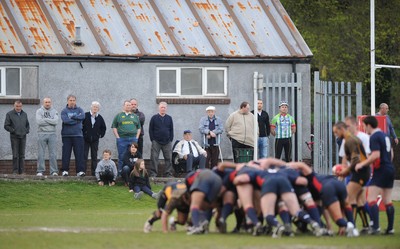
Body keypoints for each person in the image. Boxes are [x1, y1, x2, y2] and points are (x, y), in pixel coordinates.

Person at [355, 116, 395, 235]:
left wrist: (362, 164)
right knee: (387, 199)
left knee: (371, 198)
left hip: (381, 170)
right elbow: (391, 154)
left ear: (368, 125)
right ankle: (390, 229)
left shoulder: (374, 136)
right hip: (389, 168)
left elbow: (375, 155)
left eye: (363, 125)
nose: (363, 127)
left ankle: (375, 227)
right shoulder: (385, 135)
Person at [333, 121, 370, 232]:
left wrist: (346, 170)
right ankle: (366, 226)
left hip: (361, 172)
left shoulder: (350, 141)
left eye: (336, 132)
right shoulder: (350, 139)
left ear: (342, 129)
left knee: (348, 199)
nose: (335, 134)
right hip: (361, 172)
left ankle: (351, 227)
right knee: (357, 200)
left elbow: (356, 160)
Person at [111, 100, 141, 173]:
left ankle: (134, 173)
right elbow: (114, 127)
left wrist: (136, 137)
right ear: (123, 106)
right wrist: (118, 137)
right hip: (122, 139)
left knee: (134, 156)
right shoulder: (119, 116)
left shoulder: (135, 116)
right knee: (121, 156)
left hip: (133, 139)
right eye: (127, 105)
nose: (128, 106)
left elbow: (139, 128)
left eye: (129, 105)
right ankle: (120, 172)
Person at [61, 94, 85, 176]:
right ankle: (65, 171)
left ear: (75, 101)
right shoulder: (64, 111)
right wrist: (77, 120)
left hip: (78, 135)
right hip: (66, 136)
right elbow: (66, 121)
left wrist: (72, 118)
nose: (72, 102)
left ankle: (80, 171)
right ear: (67, 101)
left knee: (79, 154)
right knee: (66, 154)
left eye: (73, 100)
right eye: (70, 100)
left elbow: (83, 116)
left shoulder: (80, 109)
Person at [4, 100, 30, 175]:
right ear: (14, 106)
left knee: (22, 155)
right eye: (17, 106)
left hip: (23, 136)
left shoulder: (24, 114)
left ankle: (22, 171)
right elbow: (6, 125)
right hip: (14, 137)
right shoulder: (9, 114)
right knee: (15, 155)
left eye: (20, 106)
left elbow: (27, 125)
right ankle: (15, 171)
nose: (18, 108)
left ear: (22, 106)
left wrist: (26, 131)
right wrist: (13, 130)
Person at [149, 102, 174, 177]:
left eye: (164, 107)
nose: (163, 109)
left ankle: (168, 174)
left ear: (166, 109)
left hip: (167, 142)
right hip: (156, 141)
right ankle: (153, 174)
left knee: (169, 158)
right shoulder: (154, 118)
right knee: (154, 158)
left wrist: (170, 139)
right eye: (161, 107)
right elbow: (151, 129)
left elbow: (171, 129)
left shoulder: (169, 118)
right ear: (158, 108)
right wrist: (152, 139)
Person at [35, 97, 59, 176]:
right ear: (43, 103)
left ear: (51, 103)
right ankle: (40, 171)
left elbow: (55, 122)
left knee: (53, 154)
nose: (47, 104)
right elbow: (39, 122)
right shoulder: (39, 111)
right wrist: (50, 121)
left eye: (49, 102)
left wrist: (44, 119)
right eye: (46, 102)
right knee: (41, 153)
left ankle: (54, 171)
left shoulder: (54, 111)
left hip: (52, 134)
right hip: (41, 134)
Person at [83, 101, 106, 176]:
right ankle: (83, 172)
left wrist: (99, 135)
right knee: (84, 156)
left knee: (94, 156)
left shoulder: (99, 117)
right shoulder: (85, 115)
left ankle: (94, 172)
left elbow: (103, 127)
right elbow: (81, 126)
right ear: (91, 107)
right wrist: (83, 134)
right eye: (94, 107)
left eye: (97, 107)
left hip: (95, 140)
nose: (95, 108)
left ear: (98, 109)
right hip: (85, 139)